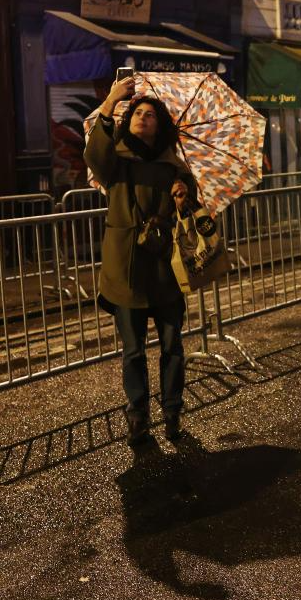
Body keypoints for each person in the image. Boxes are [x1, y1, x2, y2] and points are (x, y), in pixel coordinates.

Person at [84, 81, 196, 444]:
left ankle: (173, 410)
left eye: (150, 114)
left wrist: (183, 196)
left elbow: (192, 207)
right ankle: (138, 414)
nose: (142, 117)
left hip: (165, 268)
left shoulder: (173, 165)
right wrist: (111, 101)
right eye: (137, 113)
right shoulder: (114, 161)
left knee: (172, 347)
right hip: (126, 268)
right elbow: (93, 156)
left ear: (159, 125)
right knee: (133, 351)